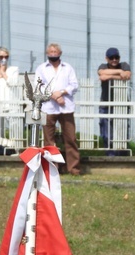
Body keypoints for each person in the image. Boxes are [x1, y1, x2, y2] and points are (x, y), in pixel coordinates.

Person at [36, 42, 81, 175]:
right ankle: (52, 169)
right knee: (49, 140)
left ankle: (73, 169)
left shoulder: (67, 68)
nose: (53, 54)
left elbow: (74, 85)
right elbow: (39, 86)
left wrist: (62, 92)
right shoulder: (41, 68)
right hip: (49, 107)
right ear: (47, 53)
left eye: (55, 52)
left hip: (66, 107)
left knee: (70, 138)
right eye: (51, 52)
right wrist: (54, 96)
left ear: (60, 53)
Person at [97, 47, 132, 154]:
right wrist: (119, 72)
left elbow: (127, 75)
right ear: (107, 58)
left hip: (121, 104)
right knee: (107, 133)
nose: (114, 60)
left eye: (116, 57)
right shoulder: (103, 66)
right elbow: (101, 74)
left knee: (122, 131)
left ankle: (123, 155)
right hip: (106, 104)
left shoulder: (125, 65)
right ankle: (110, 155)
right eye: (111, 58)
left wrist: (110, 76)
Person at [0, 46, 19, 154]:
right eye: (1, 56)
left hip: (10, 103)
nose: (3, 59)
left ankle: (16, 149)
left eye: (6, 57)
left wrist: (3, 73)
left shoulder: (13, 70)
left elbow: (13, 83)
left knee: (14, 128)